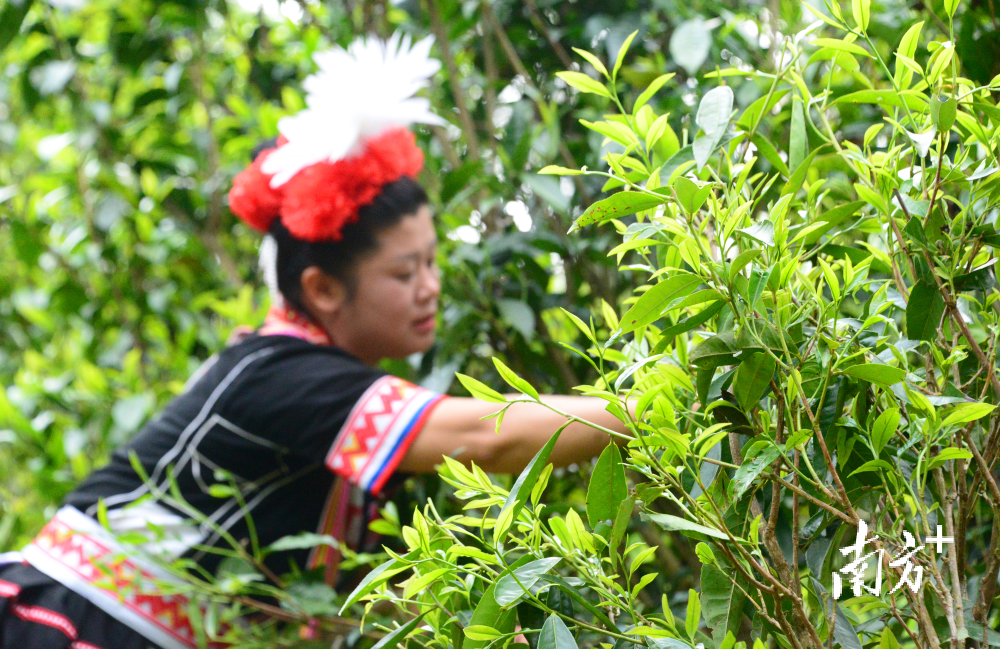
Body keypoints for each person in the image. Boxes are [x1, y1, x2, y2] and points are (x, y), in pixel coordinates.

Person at [0, 33, 627, 649]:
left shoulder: (330, 391)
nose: (431, 288)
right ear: (323, 289)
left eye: (434, 263)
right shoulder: (279, 373)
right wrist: (653, 410)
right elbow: (483, 440)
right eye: (405, 273)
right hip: (69, 623)